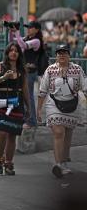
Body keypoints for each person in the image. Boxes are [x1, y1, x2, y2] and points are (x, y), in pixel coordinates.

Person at [37, 44, 87, 178]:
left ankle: (64, 161)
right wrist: (38, 110)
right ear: (56, 55)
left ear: (69, 55)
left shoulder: (77, 69)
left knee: (68, 134)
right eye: (59, 53)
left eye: (64, 52)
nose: (61, 55)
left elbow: (85, 88)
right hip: (54, 103)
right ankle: (58, 164)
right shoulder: (50, 70)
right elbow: (42, 91)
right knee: (59, 132)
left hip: (72, 105)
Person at [0, 42, 30, 176]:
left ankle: (9, 163)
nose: (14, 53)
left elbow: (25, 90)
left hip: (16, 104)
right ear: (7, 53)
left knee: (12, 135)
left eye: (16, 51)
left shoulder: (21, 70)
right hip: (0, 103)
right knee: (2, 133)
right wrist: (4, 77)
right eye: (11, 50)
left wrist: (29, 107)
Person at [11, 21, 46, 128]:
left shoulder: (36, 41)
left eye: (31, 27)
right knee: (23, 95)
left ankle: (32, 121)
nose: (28, 29)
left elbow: (23, 45)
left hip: (31, 72)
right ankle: (27, 119)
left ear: (37, 30)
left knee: (29, 96)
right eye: (28, 27)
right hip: (25, 71)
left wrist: (17, 31)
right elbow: (14, 42)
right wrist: (11, 31)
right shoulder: (27, 38)